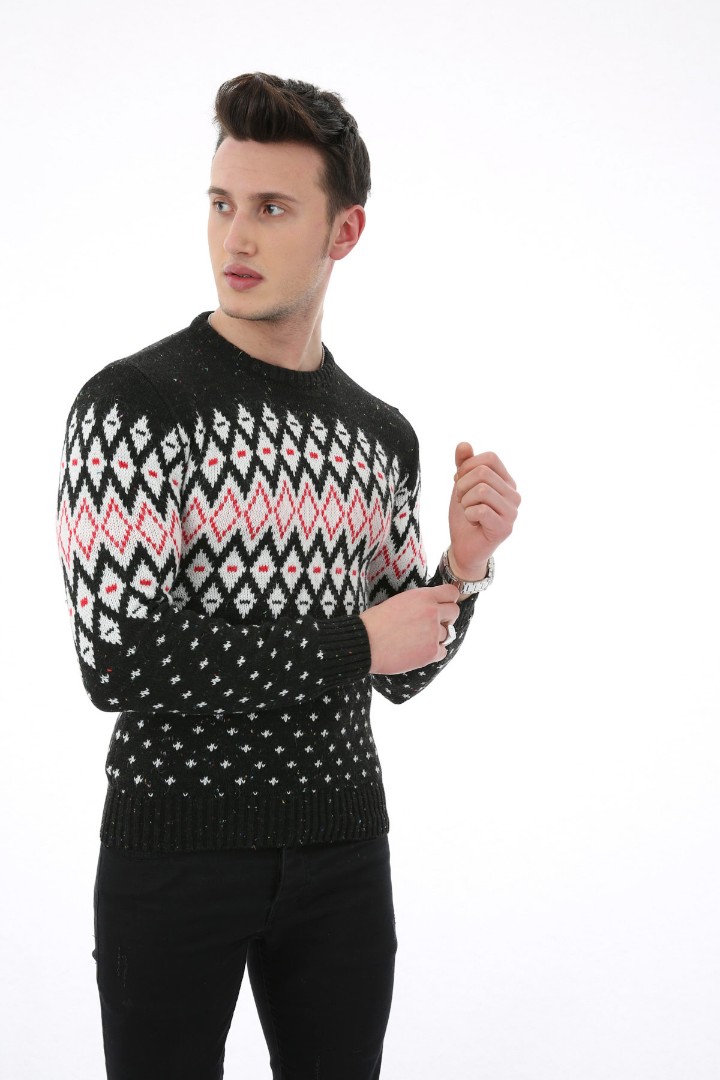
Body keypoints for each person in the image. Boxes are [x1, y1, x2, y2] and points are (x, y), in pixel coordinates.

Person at [56, 72, 521, 1080]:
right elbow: (119, 660)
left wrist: (465, 565)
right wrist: (356, 640)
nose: (237, 238)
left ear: (344, 232)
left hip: (343, 855)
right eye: (222, 204)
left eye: (272, 208)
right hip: (173, 856)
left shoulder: (379, 433)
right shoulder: (134, 406)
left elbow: (401, 669)